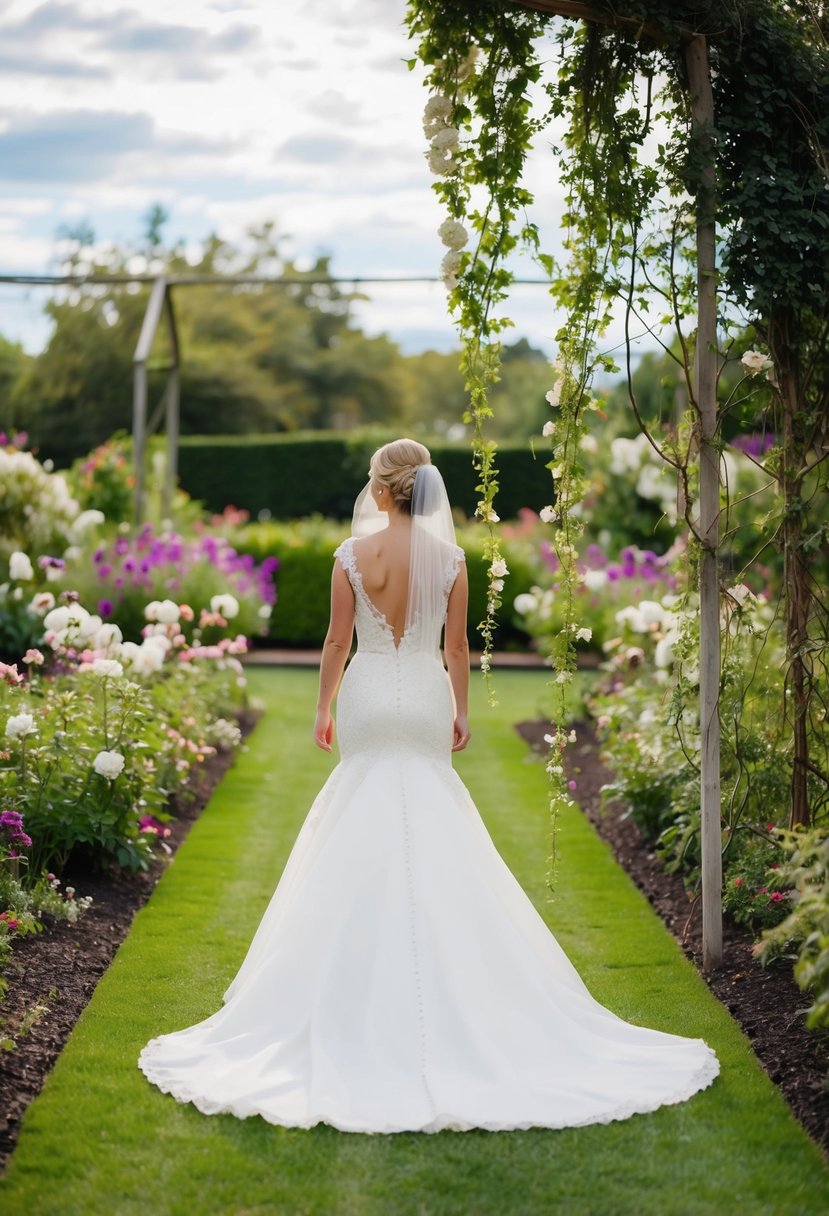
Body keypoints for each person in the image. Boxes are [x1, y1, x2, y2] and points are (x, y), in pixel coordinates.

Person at [138, 438, 719, 1132]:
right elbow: (454, 649)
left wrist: (323, 707)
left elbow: (334, 642)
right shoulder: (449, 560)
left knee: (358, 817)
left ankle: (347, 995)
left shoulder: (350, 557)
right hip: (422, 695)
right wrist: (461, 712)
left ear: (382, 491)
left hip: (366, 696)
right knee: (433, 824)